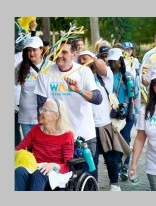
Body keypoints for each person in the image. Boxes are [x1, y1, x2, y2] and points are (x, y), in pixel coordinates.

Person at [34, 39, 102, 173]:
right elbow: (41, 107)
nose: (59, 55)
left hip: (84, 137)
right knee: (62, 180)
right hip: (58, 138)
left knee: (87, 178)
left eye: (64, 52)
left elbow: (98, 98)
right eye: (58, 51)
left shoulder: (84, 71)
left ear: (74, 54)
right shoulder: (45, 74)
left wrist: (79, 90)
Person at [77, 50, 131, 191]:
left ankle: (114, 184)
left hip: (104, 123)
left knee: (111, 158)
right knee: (90, 161)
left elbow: (100, 65)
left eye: (84, 58)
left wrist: (92, 58)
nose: (82, 61)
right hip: (86, 126)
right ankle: (91, 187)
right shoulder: (77, 76)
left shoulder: (104, 75)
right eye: (80, 59)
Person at [15, 98, 74, 191]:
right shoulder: (36, 129)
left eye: (45, 110)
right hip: (35, 167)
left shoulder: (67, 135)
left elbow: (68, 165)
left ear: (56, 116)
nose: (41, 112)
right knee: (19, 171)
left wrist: (53, 165)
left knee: (40, 173)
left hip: (55, 172)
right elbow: (20, 148)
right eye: (41, 109)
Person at [107, 48, 137, 180]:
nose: (113, 63)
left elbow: (134, 94)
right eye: (110, 61)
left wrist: (130, 111)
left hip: (126, 114)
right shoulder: (105, 76)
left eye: (115, 60)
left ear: (120, 61)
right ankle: (117, 165)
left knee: (125, 139)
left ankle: (124, 166)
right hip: (110, 114)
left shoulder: (128, 76)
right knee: (114, 142)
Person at [15, 36, 44, 137]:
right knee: (28, 150)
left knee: (42, 150)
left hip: (44, 118)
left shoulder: (49, 66)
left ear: (41, 49)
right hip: (25, 117)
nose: (31, 53)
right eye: (29, 50)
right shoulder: (20, 67)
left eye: (34, 50)